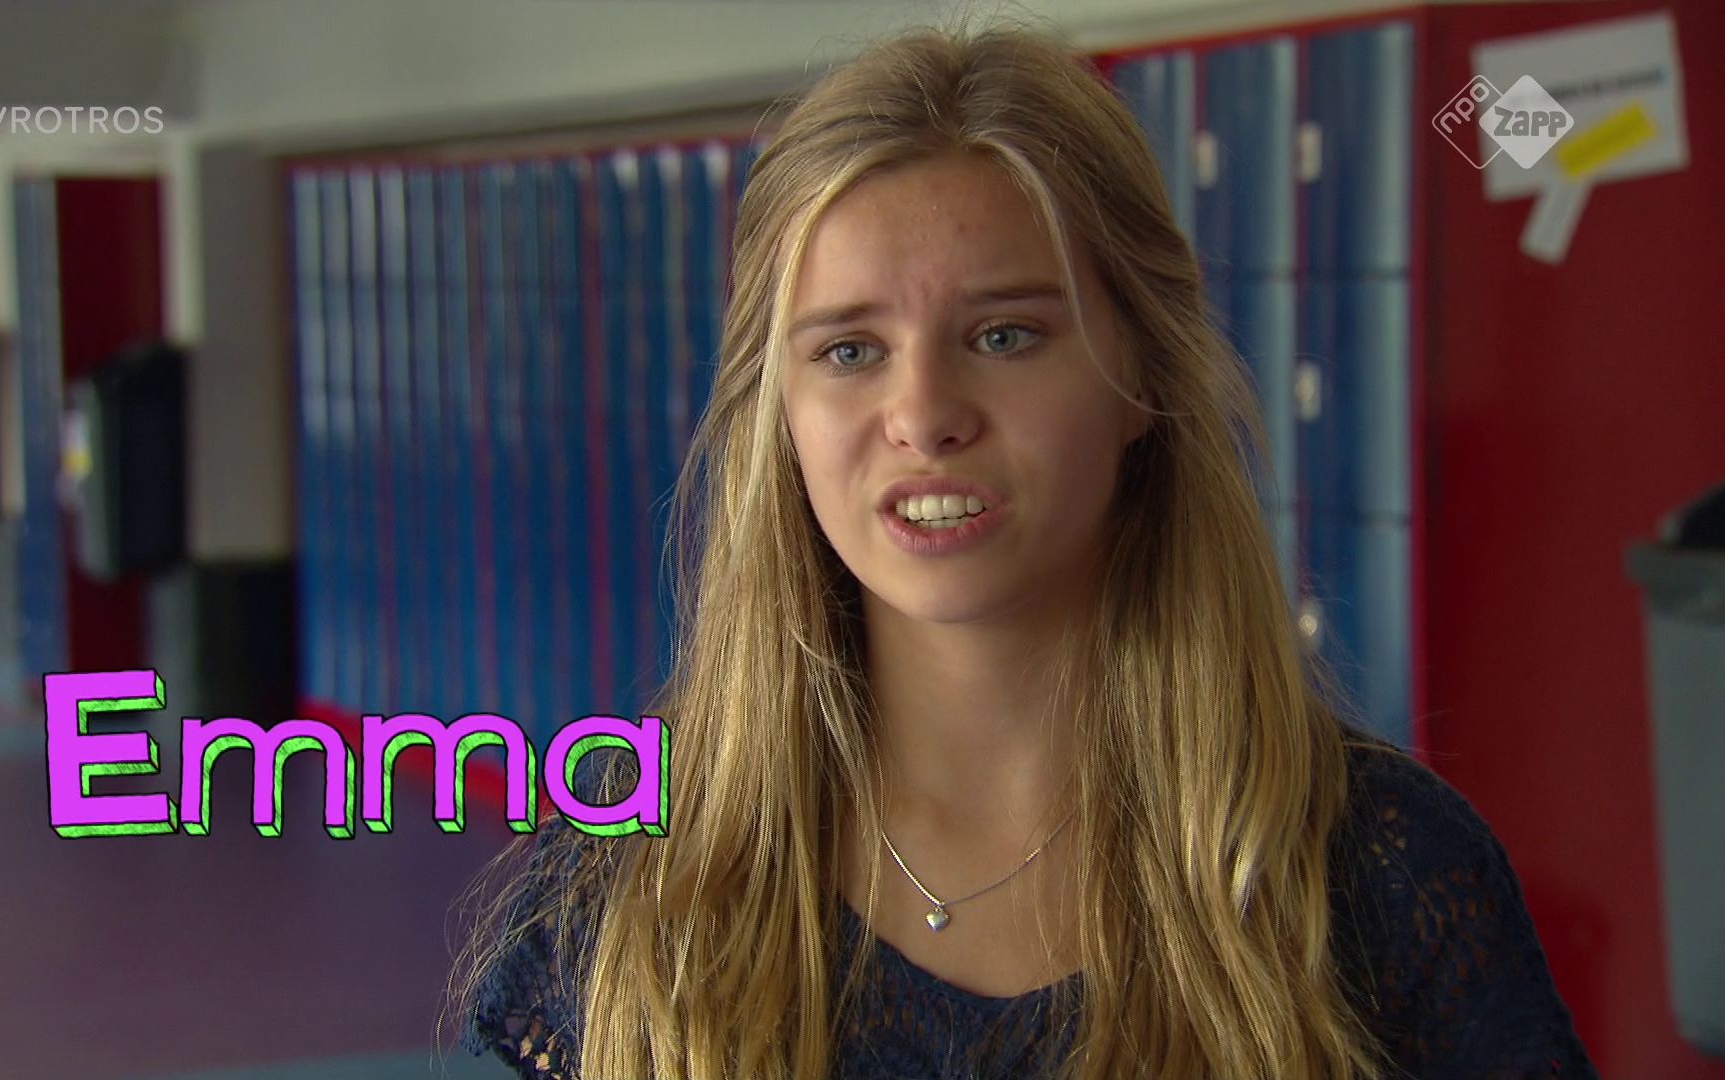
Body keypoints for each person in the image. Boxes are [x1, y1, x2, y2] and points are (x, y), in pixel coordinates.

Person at [450, 22, 1596, 1080]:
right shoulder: (631, 880)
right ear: (780, 411)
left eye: (1005, 335)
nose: (924, 414)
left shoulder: (1384, 883)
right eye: (849, 351)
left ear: (1140, 377)